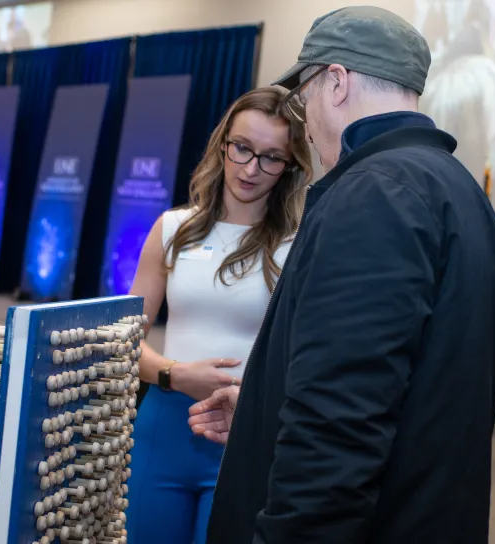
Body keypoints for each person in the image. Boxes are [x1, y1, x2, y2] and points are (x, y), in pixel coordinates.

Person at [188, 6, 495, 543]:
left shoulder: (374, 195)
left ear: (336, 83)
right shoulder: (460, 194)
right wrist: (265, 412)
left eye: (304, 100)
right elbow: (406, 382)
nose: (306, 124)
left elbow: (340, 427)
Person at [125, 86, 312, 544]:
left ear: (289, 166)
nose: (251, 169)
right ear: (223, 143)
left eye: (271, 157)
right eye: (243, 148)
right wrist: (173, 374)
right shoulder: (173, 229)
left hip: (245, 437)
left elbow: (307, 358)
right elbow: (124, 341)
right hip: (163, 430)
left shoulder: (299, 246)